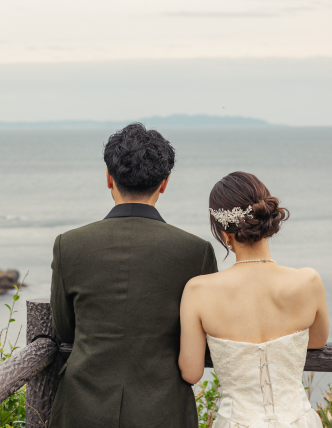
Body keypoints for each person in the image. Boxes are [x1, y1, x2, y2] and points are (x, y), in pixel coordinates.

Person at [50, 123, 218, 428]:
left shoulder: (69, 245)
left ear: (108, 177)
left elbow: (64, 330)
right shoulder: (196, 251)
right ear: (164, 183)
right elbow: (203, 340)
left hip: (82, 407)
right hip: (164, 409)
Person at [179, 171, 329, 428]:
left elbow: (191, 373)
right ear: (267, 222)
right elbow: (316, 341)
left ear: (224, 234)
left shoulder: (198, 291)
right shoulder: (308, 281)